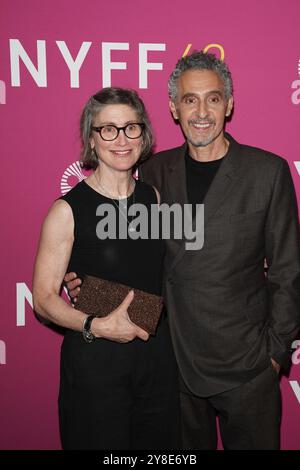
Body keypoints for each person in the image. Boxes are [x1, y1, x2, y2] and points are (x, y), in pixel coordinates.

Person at [65, 52, 300, 450]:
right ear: (174, 107)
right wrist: (90, 291)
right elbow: (141, 264)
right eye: (190, 100)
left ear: (229, 103)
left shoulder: (268, 172)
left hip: (246, 367)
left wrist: (273, 357)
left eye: (213, 98)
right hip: (173, 365)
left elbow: (287, 271)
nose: (202, 112)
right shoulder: (155, 172)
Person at [32, 87, 181, 450]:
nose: (121, 139)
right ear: (91, 138)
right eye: (108, 129)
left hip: (156, 362)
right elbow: (43, 298)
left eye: (131, 127)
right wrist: (96, 326)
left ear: (143, 134)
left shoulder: (153, 198)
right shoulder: (67, 210)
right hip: (96, 364)